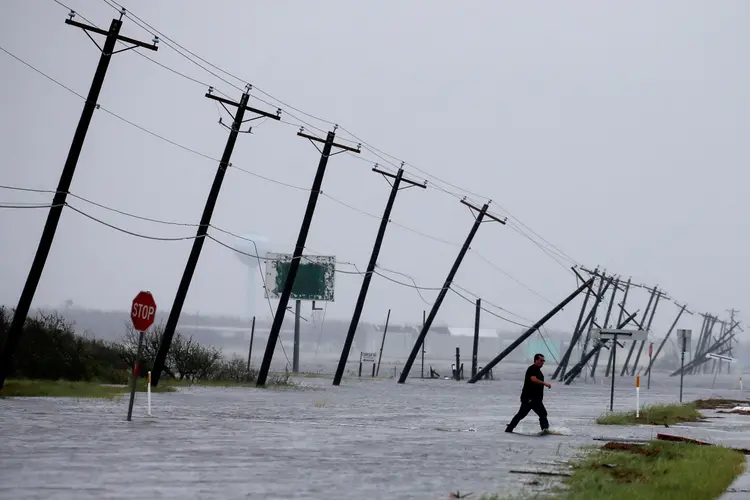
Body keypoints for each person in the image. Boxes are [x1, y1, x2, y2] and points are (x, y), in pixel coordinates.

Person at [505, 353, 551, 434]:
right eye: (541, 360)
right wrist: (544, 383)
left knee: (521, 414)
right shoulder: (533, 368)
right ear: (536, 361)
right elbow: (533, 379)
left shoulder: (538, 370)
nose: (542, 362)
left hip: (534, 398)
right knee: (542, 414)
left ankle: (509, 429)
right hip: (530, 398)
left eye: (543, 361)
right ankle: (545, 430)